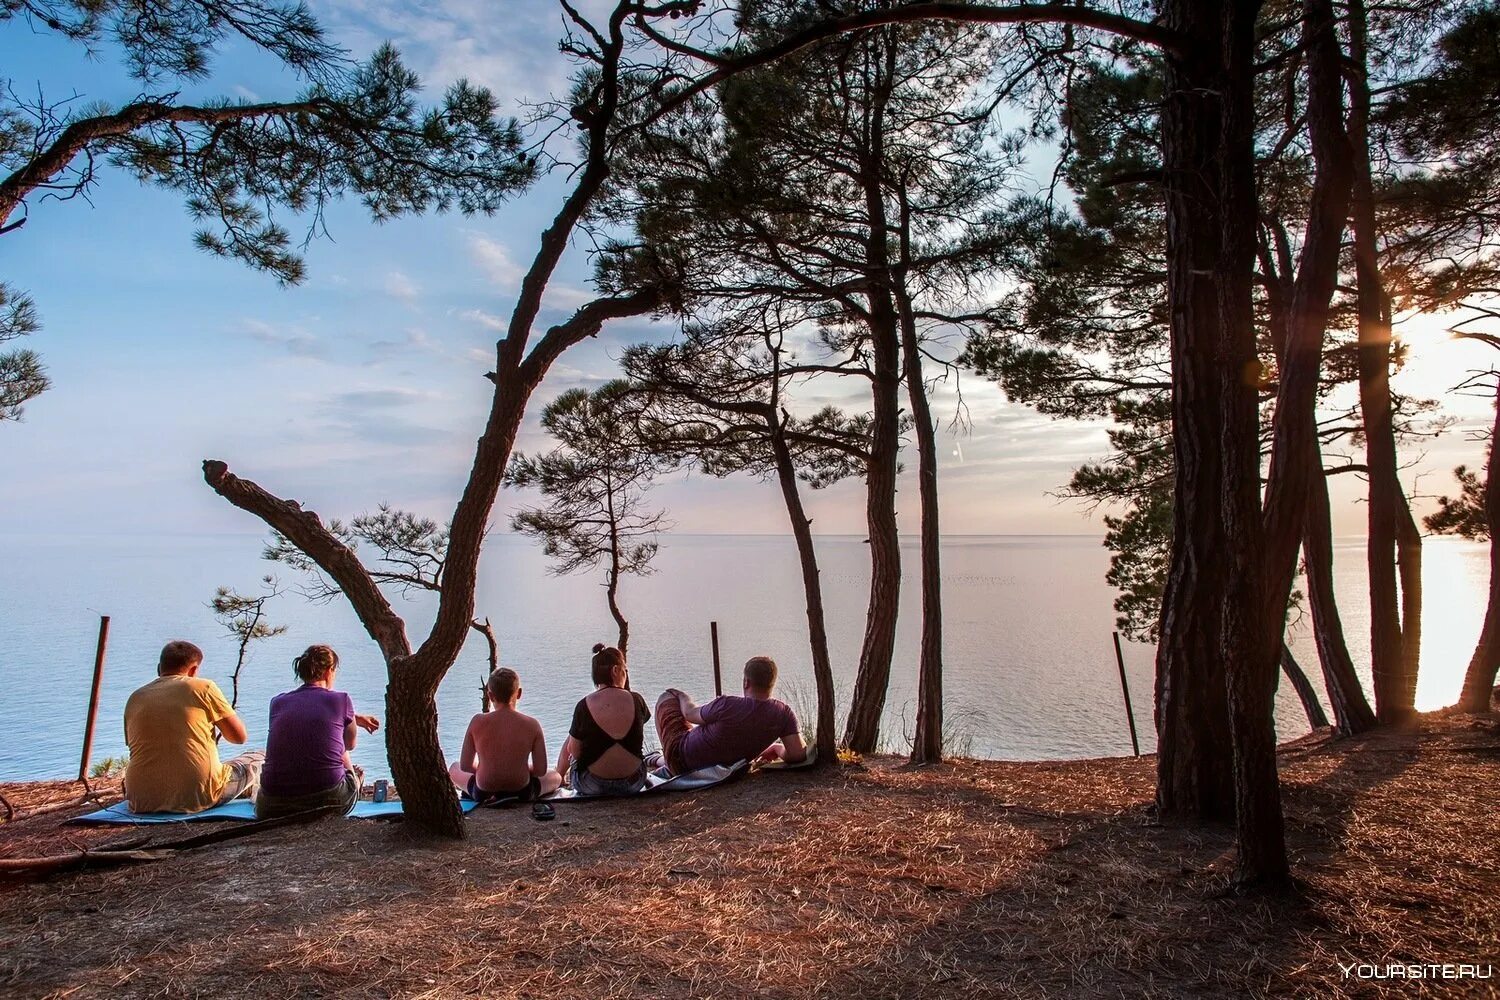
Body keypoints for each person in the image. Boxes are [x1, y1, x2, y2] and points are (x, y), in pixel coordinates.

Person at [122, 640, 263, 814]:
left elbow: (136, 745)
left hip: (141, 798)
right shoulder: (202, 687)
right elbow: (239, 737)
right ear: (194, 670)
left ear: (159, 667)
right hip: (198, 793)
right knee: (259, 757)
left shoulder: (136, 697)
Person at [255, 645, 380, 819]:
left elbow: (305, 715)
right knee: (341, 749)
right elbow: (350, 745)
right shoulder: (341, 699)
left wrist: (354, 718)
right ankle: (354, 779)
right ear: (329, 671)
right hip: (328, 800)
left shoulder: (278, 702)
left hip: (272, 804)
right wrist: (349, 720)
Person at [655, 655, 808, 775]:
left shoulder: (727, 704)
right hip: (722, 767)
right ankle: (659, 760)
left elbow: (689, 714)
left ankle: (667, 761)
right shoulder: (783, 714)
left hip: (681, 760)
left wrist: (681, 696)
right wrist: (777, 748)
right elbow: (797, 754)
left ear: (746, 682)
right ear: (772, 683)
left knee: (666, 697)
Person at [448, 667, 562, 804]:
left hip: (483, 792)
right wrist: (520, 768)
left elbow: (465, 766)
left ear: (490, 696)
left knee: (454, 767)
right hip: (522, 791)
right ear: (519, 693)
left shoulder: (477, 721)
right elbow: (540, 770)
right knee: (556, 776)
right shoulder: (532, 724)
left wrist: (486, 769)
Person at [556, 644, 651, 796]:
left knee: (572, 739)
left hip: (593, 785)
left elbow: (575, 752)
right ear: (615, 670)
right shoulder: (637, 700)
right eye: (624, 670)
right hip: (634, 782)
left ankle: (559, 776)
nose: (626, 674)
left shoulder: (583, 705)